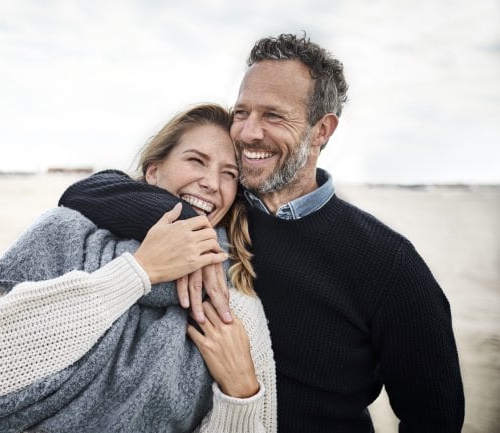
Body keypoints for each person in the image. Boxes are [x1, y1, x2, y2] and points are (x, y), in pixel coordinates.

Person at [59, 33, 465, 433]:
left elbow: (436, 418)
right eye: (242, 112)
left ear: (321, 130)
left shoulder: (388, 263)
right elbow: (87, 191)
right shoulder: (219, 208)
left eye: (273, 115)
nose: (249, 133)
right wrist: (186, 221)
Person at [0, 104, 276, 432]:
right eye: (196, 160)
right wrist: (138, 271)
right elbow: (0, 362)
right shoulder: (65, 231)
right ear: (153, 171)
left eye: (230, 174)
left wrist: (241, 394)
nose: (211, 182)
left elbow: (262, 424)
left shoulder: (232, 295)